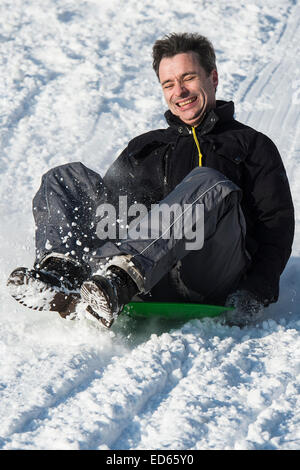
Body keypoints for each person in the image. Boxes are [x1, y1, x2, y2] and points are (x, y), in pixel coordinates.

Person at [7, 33, 294, 328]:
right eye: (168, 84)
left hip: (210, 274)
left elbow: (276, 224)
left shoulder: (250, 145)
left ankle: (123, 276)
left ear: (213, 77)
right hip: (149, 279)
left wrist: (256, 291)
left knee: (207, 182)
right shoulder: (146, 146)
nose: (179, 92)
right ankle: (64, 275)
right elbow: (108, 212)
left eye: (188, 78)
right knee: (64, 177)